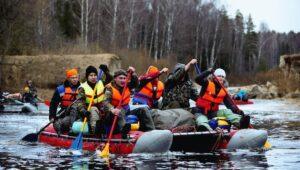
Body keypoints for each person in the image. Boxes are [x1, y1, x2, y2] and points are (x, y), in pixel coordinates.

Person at [103, 67, 155, 138]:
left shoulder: (128, 86)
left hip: (126, 111)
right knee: (120, 109)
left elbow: (136, 83)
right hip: (112, 114)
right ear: (115, 79)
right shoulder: (110, 88)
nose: (123, 80)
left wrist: (133, 73)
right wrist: (112, 109)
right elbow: (105, 102)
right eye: (120, 78)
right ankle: (124, 133)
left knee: (143, 109)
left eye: (124, 78)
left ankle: (150, 131)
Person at [72, 64, 113, 135]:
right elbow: (79, 102)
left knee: (111, 109)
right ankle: (95, 131)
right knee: (93, 109)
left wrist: (106, 71)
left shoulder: (101, 82)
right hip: (89, 110)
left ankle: (112, 130)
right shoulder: (82, 88)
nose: (93, 77)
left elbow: (110, 79)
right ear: (87, 77)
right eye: (91, 75)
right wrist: (84, 111)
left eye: (95, 75)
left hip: (102, 108)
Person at [50, 69, 81, 134]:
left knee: (75, 109)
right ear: (68, 78)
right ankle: (65, 127)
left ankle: (72, 128)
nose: (75, 79)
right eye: (72, 78)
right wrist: (52, 116)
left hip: (80, 112)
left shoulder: (83, 88)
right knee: (59, 124)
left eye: (76, 77)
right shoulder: (61, 89)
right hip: (65, 112)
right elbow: (54, 104)